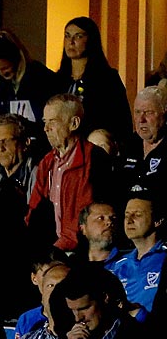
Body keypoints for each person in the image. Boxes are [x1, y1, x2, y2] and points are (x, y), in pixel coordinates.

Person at [29, 95, 112, 254]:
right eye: (45, 122)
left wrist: (58, 250)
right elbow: (33, 210)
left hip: (84, 251)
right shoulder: (46, 162)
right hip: (53, 250)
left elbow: (87, 212)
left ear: (74, 123)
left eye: (52, 122)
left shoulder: (94, 158)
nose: (46, 128)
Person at [58, 17, 132, 141]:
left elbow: (121, 121)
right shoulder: (57, 80)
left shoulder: (107, 79)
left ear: (91, 40)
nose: (71, 42)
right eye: (67, 35)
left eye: (78, 36)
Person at [107, 190, 162, 314]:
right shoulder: (118, 265)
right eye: (126, 215)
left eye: (137, 214)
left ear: (157, 221)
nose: (129, 220)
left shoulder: (163, 258)